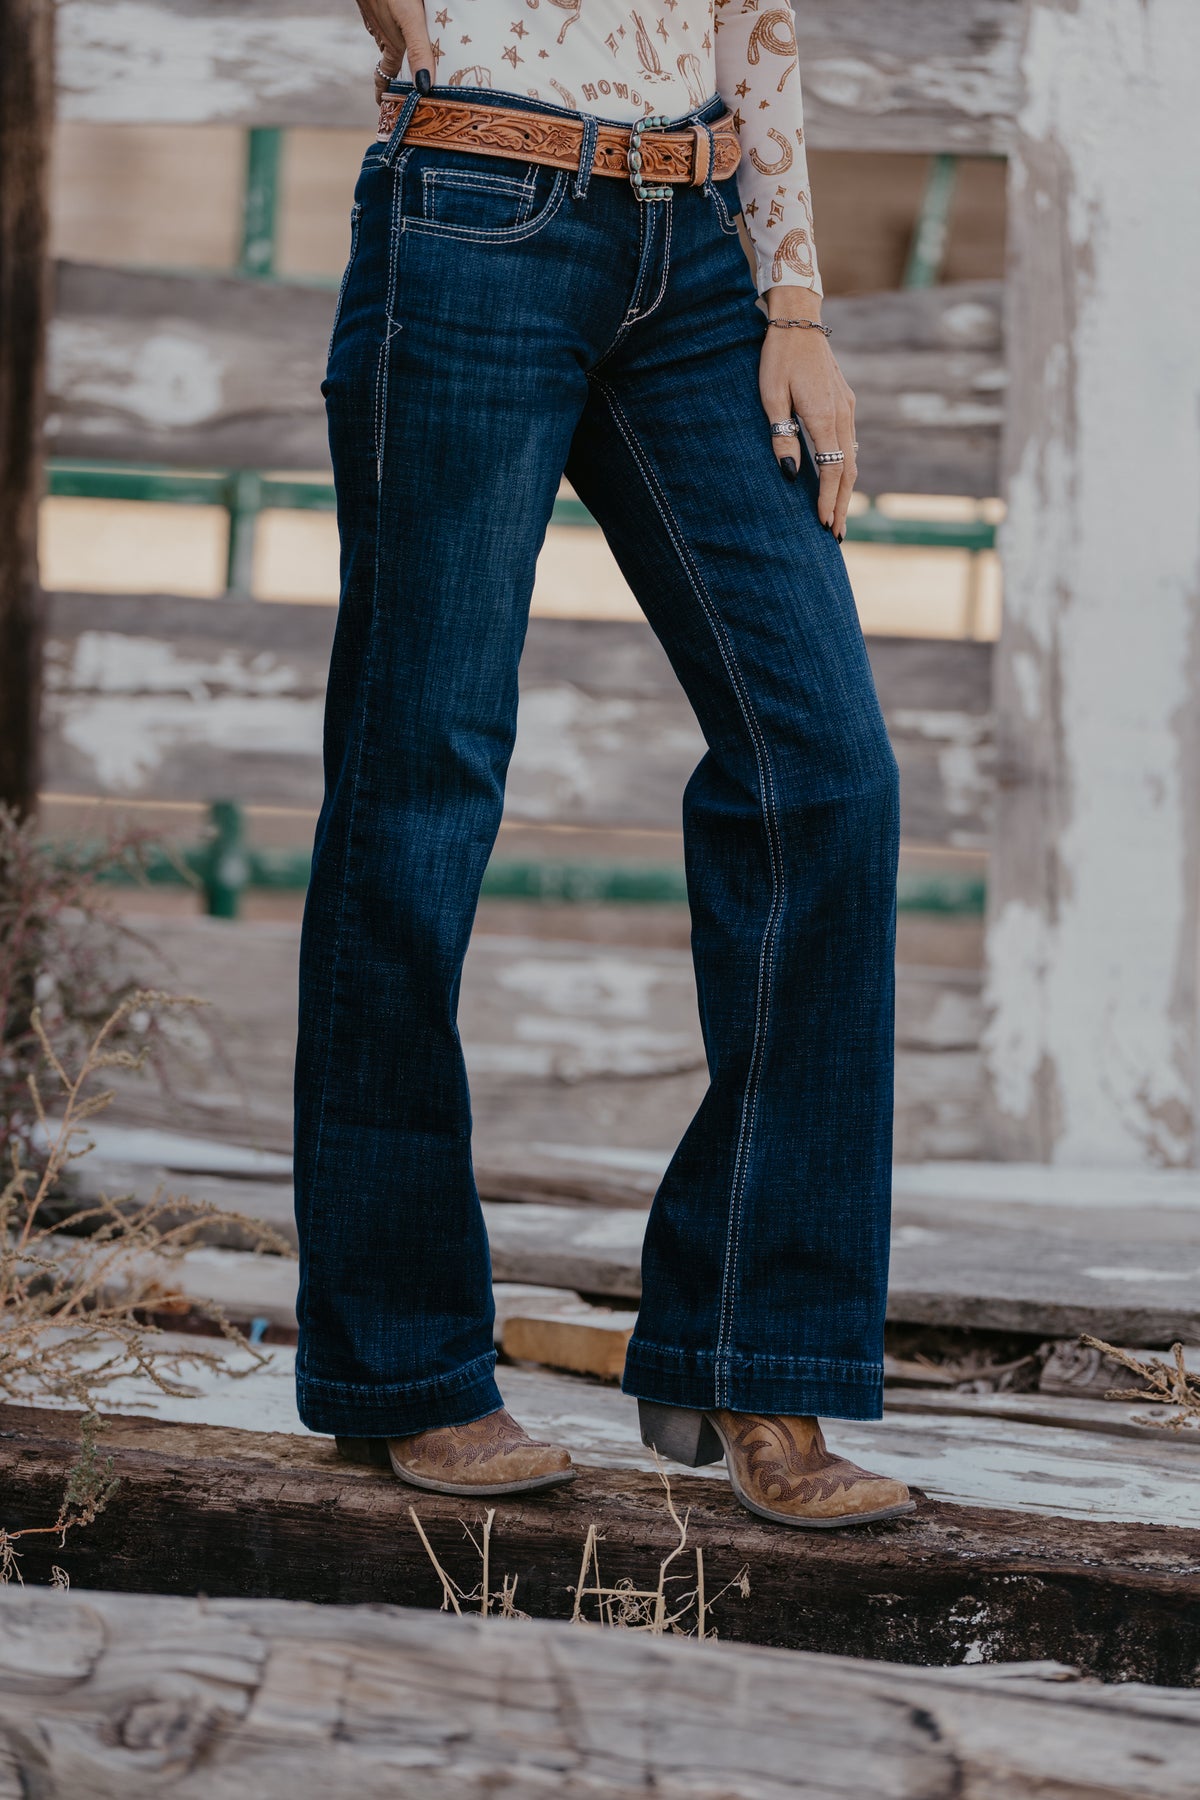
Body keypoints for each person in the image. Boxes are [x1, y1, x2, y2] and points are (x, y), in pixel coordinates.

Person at [293, 0, 914, 1528]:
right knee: (419, 787)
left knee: (827, 771)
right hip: (477, 209)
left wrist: (795, 297)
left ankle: (752, 1346)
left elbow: (752, 11)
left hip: (695, 241)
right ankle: (406, 1365)